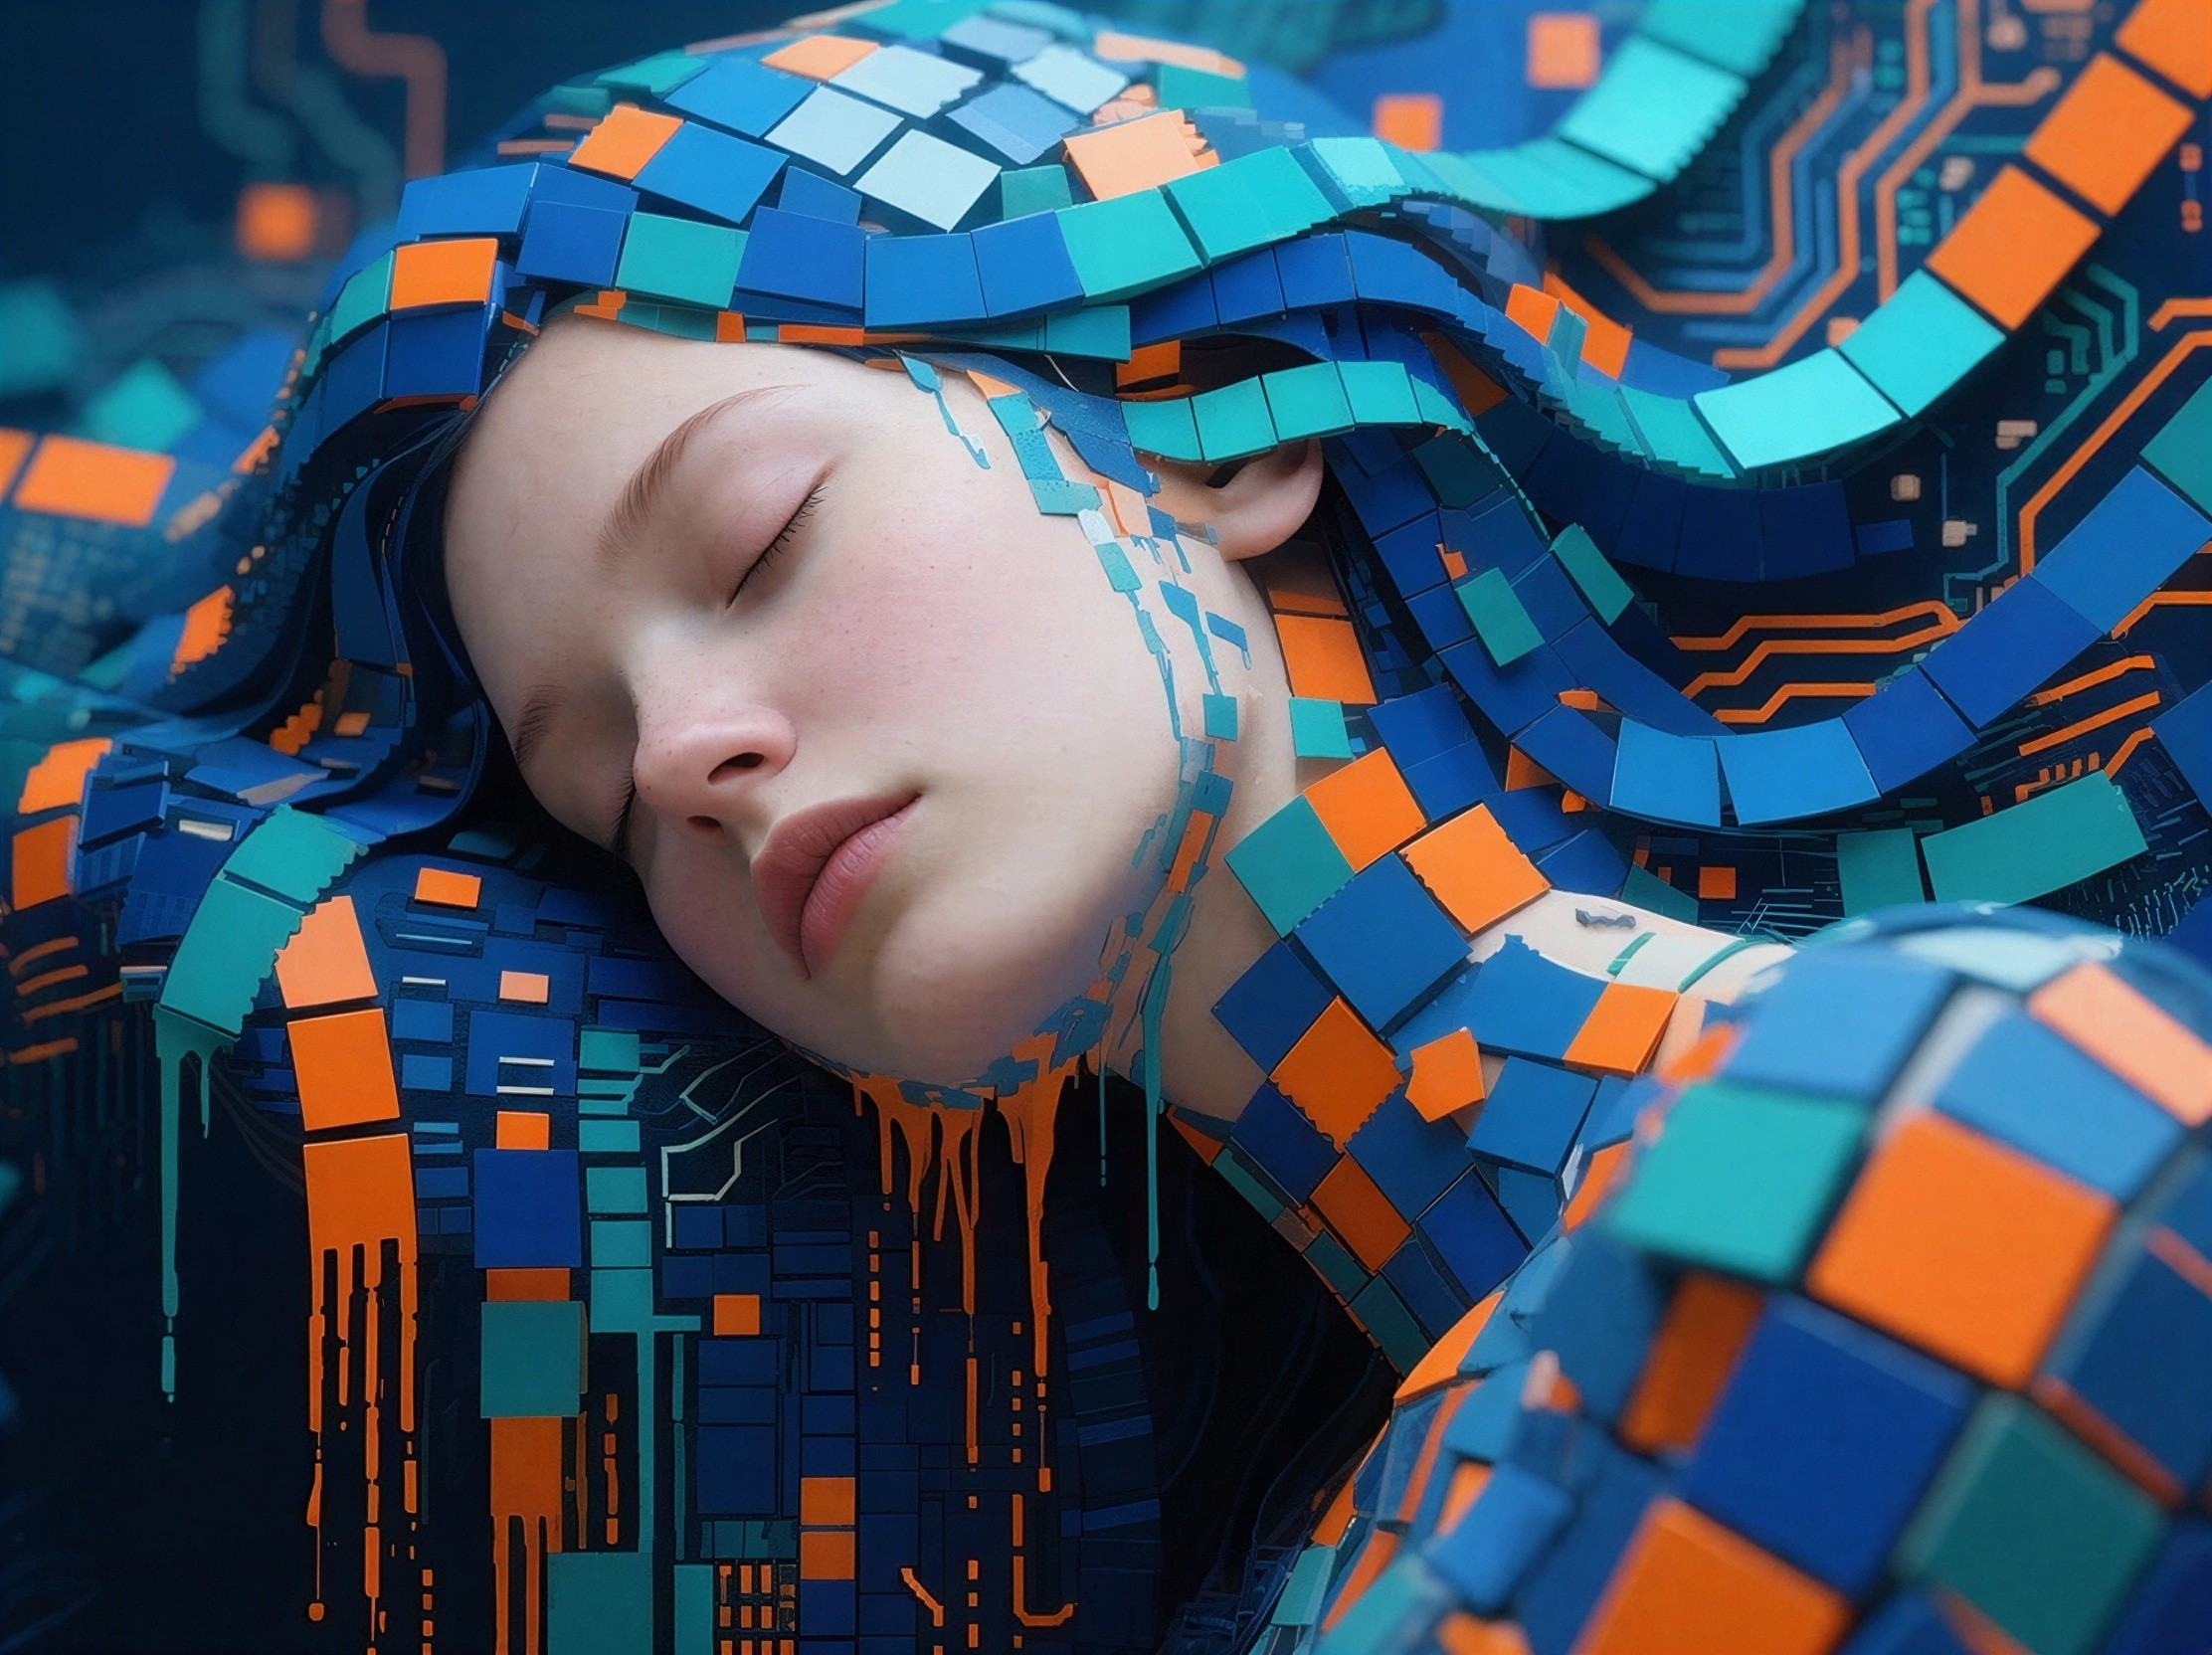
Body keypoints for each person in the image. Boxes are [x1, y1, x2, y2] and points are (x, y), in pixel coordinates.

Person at [8, 3, 2212, 1652]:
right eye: (599, 793)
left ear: (1219, 424)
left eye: (759, 537)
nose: (684, 751)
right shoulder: (1334, 1511)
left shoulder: (1951, 1123)